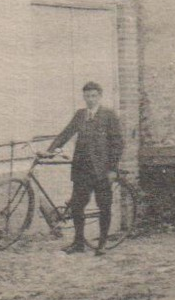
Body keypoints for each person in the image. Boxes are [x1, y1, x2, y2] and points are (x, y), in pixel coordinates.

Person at [44, 81, 123, 256]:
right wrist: (49, 151)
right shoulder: (80, 115)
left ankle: (102, 244)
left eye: (94, 96)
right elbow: (66, 133)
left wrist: (113, 169)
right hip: (82, 169)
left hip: (102, 171)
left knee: (104, 207)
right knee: (77, 206)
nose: (90, 99)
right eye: (87, 96)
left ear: (100, 97)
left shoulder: (109, 115)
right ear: (84, 97)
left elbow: (117, 144)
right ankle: (78, 243)